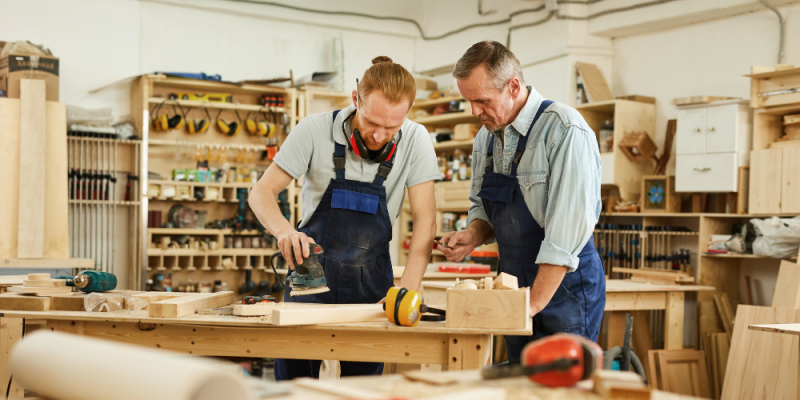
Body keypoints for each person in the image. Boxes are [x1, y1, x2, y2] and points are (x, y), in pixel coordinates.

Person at [249, 56, 440, 380]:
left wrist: (407, 288)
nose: (379, 136)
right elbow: (261, 192)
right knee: (295, 386)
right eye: (372, 123)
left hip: (372, 287)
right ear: (355, 100)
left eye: (391, 128)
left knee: (362, 389)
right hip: (311, 279)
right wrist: (284, 231)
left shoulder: (416, 138)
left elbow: (426, 221)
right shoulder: (314, 130)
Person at [439, 41, 605, 364]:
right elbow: (484, 209)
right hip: (513, 284)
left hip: (566, 288)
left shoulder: (564, 130)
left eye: (482, 100)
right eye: (469, 101)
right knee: (521, 379)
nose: (474, 111)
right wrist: (472, 235)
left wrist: (532, 304)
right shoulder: (485, 138)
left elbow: (565, 235)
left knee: (562, 382)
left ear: (513, 86)